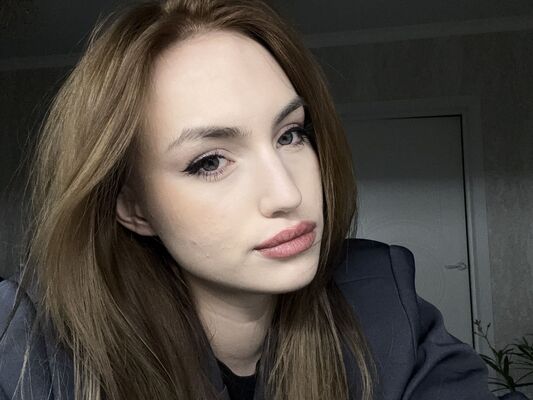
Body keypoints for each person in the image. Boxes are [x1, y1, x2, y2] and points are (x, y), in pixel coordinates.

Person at [0, 1, 528, 399]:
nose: (288, 194)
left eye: (290, 134)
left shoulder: (385, 301)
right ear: (133, 208)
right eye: (210, 161)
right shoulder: (25, 345)